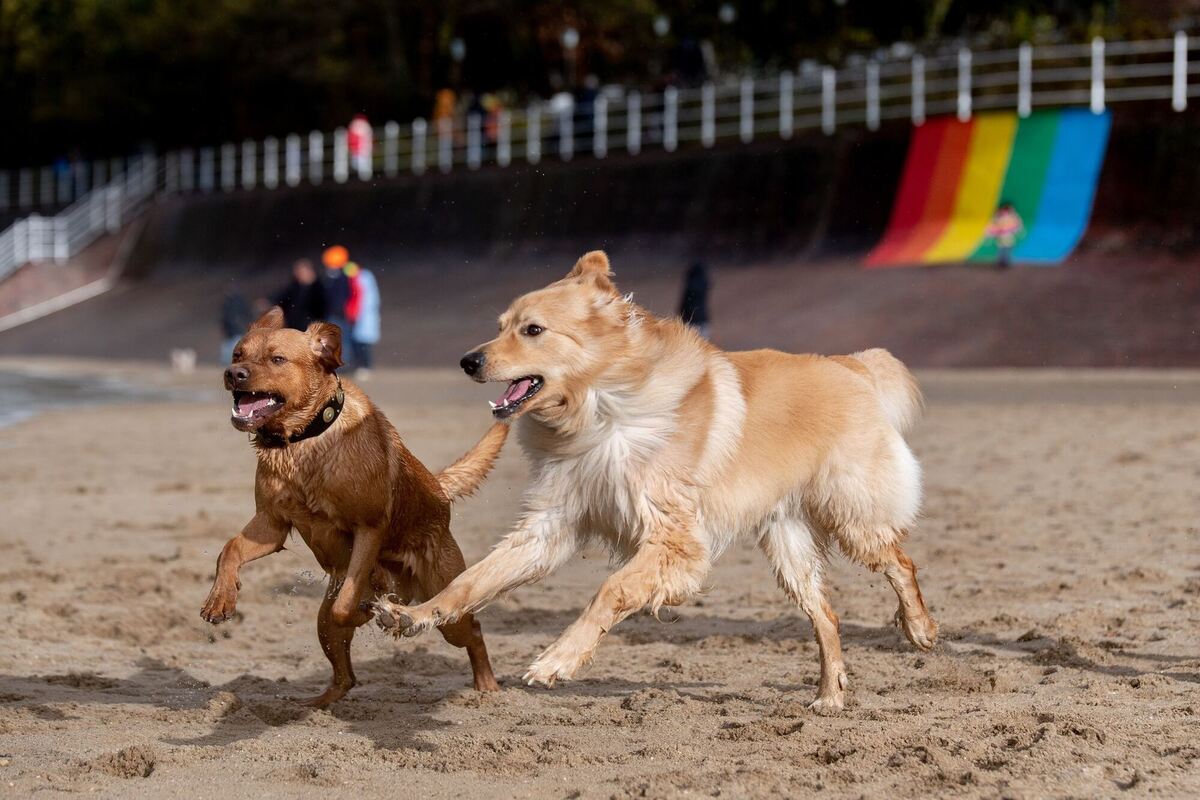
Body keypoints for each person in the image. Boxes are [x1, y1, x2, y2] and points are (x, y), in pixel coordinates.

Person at [343, 261, 380, 380]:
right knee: (356, 343)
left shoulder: (364, 278)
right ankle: (359, 366)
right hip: (356, 317)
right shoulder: (355, 280)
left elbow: (368, 299)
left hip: (364, 316)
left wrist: (358, 313)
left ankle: (365, 366)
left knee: (363, 343)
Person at [320, 245, 354, 363]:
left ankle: (344, 362)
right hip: (335, 313)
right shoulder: (335, 275)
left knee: (342, 340)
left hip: (339, 314)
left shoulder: (342, 276)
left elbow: (341, 295)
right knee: (336, 340)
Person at [272, 259, 326, 330]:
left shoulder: (318, 288)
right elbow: (282, 298)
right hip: (293, 326)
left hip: (311, 327)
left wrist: (313, 284)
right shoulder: (294, 287)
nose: (302, 274)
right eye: (299, 271)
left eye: (304, 271)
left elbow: (320, 307)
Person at [985, 201, 1025, 269]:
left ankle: (1005, 263)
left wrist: (1019, 231)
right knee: (1002, 251)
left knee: (1006, 251)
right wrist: (990, 234)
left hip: (1008, 238)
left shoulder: (1012, 216)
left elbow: (1017, 225)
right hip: (1002, 238)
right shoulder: (999, 216)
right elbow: (993, 226)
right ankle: (1002, 263)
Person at [679, 261, 711, 339]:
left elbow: (685, 303)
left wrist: (681, 314)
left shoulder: (690, 287)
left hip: (691, 319)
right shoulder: (704, 285)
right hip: (703, 319)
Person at [219, 289, 252, 363]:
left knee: (234, 348)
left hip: (235, 332)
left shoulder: (231, 305)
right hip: (232, 333)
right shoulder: (231, 305)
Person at [348, 114, 373, 178]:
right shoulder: (356, 130)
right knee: (358, 165)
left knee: (364, 165)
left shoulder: (365, 130)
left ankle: (364, 177)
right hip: (358, 153)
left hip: (363, 152)